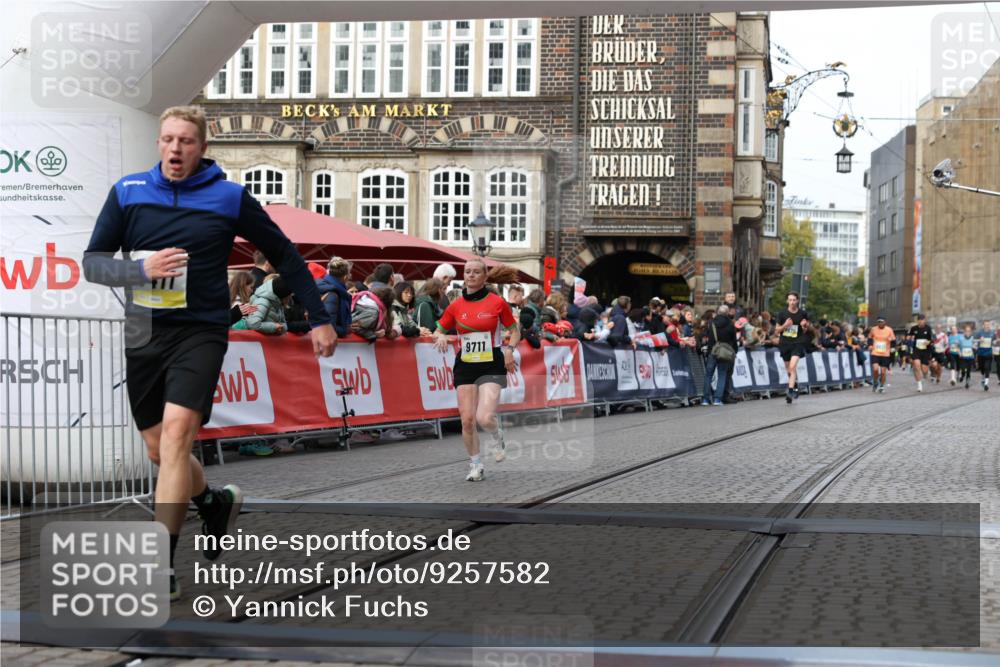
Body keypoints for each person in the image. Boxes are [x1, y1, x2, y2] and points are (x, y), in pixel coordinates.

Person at [82, 105, 336, 601]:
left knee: (177, 441)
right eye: (168, 139)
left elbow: (284, 254)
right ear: (159, 143)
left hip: (201, 330)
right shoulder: (128, 192)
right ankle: (213, 503)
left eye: (186, 141)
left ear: (201, 148)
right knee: (159, 451)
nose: (175, 149)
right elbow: (93, 264)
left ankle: (160, 563)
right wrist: (140, 270)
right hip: (144, 331)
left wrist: (320, 318)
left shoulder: (229, 196)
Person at [433, 259, 520, 482]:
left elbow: (514, 330)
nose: (470, 275)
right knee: (468, 420)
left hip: (491, 361)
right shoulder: (455, 306)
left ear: (484, 276)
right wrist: (441, 335)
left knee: (484, 417)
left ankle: (496, 434)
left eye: (476, 272)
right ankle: (476, 464)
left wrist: (509, 349)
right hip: (466, 364)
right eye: (467, 272)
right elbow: (438, 329)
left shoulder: (498, 302)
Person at [773, 292, 811, 404]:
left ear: (798, 300)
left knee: (792, 366)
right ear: (787, 301)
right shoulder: (782, 313)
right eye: (790, 300)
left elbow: (805, 330)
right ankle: (794, 387)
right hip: (785, 343)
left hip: (798, 342)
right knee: (789, 370)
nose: (792, 302)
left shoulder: (803, 313)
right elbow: (776, 331)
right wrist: (785, 325)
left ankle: (790, 391)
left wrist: (805, 326)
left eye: (794, 300)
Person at [702, 305, 737, 406]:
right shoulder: (730, 324)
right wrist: (734, 351)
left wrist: (709, 351)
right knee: (722, 374)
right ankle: (717, 399)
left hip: (713, 350)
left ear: (718, 312)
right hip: (725, 352)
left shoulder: (712, 323)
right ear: (727, 313)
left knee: (708, 375)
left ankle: (705, 399)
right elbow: (733, 340)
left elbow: (709, 337)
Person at [316, 257, 353, 337]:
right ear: (345, 276)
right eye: (350, 274)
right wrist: (345, 330)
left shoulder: (330, 288)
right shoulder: (333, 294)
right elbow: (329, 326)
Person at [907, 313, 934, 393]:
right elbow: (908, 336)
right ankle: (919, 384)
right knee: (917, 365)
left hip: (925, 351)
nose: (921, 321)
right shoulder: (913, 328)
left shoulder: (928, 328)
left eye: (922, 320)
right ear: (917, 321)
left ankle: (926, 373)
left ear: (924, 320)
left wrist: (928, 342)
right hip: (916, 350)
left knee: (924, 370)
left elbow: (932, 339)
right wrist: (909, 338)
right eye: (919, 320)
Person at [868, 316, 896, 393]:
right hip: (875, 352)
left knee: (883, 372)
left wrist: (893, 348)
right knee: (875, 369)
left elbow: (893, 340)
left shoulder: (889, 330)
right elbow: (870, 338)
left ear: (885, 322)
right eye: (879, 322)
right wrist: (870, 345)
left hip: (885, 353)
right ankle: (876, 381)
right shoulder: (873, 329)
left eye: (882, 321)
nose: (880, 323)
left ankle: (882, 385)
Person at [956, 323, 977, 389]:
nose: (968, 332)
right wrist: (959, 352)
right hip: (963, 357)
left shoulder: (972, 338)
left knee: (968, 370)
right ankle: (962, 376)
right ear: (964, 331)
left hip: (970, 357)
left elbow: (975, 346)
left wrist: (975, 347)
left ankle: (967, 382)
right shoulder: (961, 338)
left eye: (969, 331)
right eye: (966, 331)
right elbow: (957, 346)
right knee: (963, 370)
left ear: (971, 332)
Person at [975, 320, 994, 391]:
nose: (987, 326)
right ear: (983, 325)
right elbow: (974, 342)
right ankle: (983, 377)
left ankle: (986, 384)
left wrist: (995, 342)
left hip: (989, 353)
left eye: (988, 324)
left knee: (987, 368)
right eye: (986, 324)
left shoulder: (992, 333)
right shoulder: (979, 333)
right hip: (981, 354)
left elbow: (994, 342)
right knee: (982, 368)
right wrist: (979, 340)